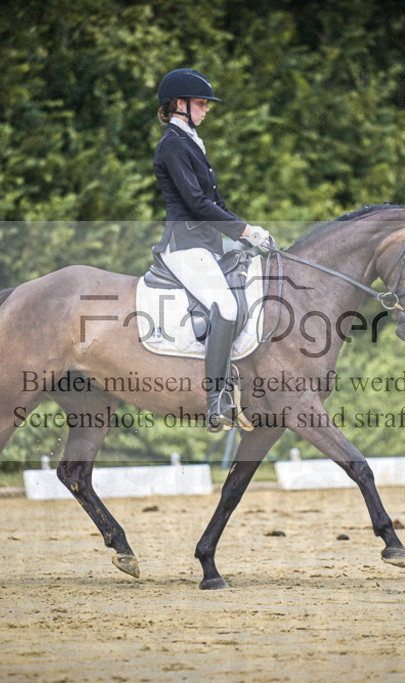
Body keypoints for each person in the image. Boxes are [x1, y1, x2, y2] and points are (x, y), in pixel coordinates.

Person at [152, 68, 273, 432]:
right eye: (201, 103)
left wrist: (246, 234)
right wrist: (246, 231)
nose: (206, 110)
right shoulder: (172, 144)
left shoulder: (191, 141)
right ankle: (216, 400)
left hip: (207, 245)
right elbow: (196, 203)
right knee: (226, 306)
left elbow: (214, 201)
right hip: (184, 246)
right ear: (179, 105)